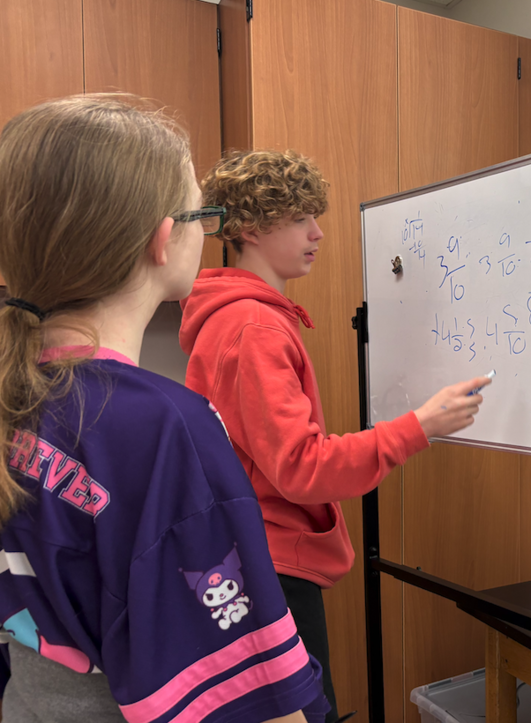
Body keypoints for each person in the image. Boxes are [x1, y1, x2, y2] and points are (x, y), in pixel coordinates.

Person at [0, 96, 330, 722]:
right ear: (163, 239)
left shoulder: (22, 397)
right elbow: (251, 694)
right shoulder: (160, 424)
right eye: (201, 213)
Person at [179, 149, 489, 721]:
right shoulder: (252, 328)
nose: (317, 233)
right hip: (267, 566)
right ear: (248, 228)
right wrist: (419, 426)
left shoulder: (241, 317)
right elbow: (302, 467)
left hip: (250, 556)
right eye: (299, 219)